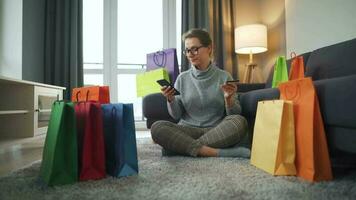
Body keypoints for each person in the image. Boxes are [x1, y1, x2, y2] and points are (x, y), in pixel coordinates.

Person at [150, 28, 250, 158]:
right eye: (187, 50)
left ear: (209, 48)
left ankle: (179, 148)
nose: (190, 54)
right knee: (157, 127)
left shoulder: (224, 76)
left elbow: (234, 114)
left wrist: (229, 99)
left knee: (239, 121)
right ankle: (213, 152)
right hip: (187, 130)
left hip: (215, 130)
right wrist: (170, 99)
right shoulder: (182, 78)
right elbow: (176, 115)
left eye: (195, 49)